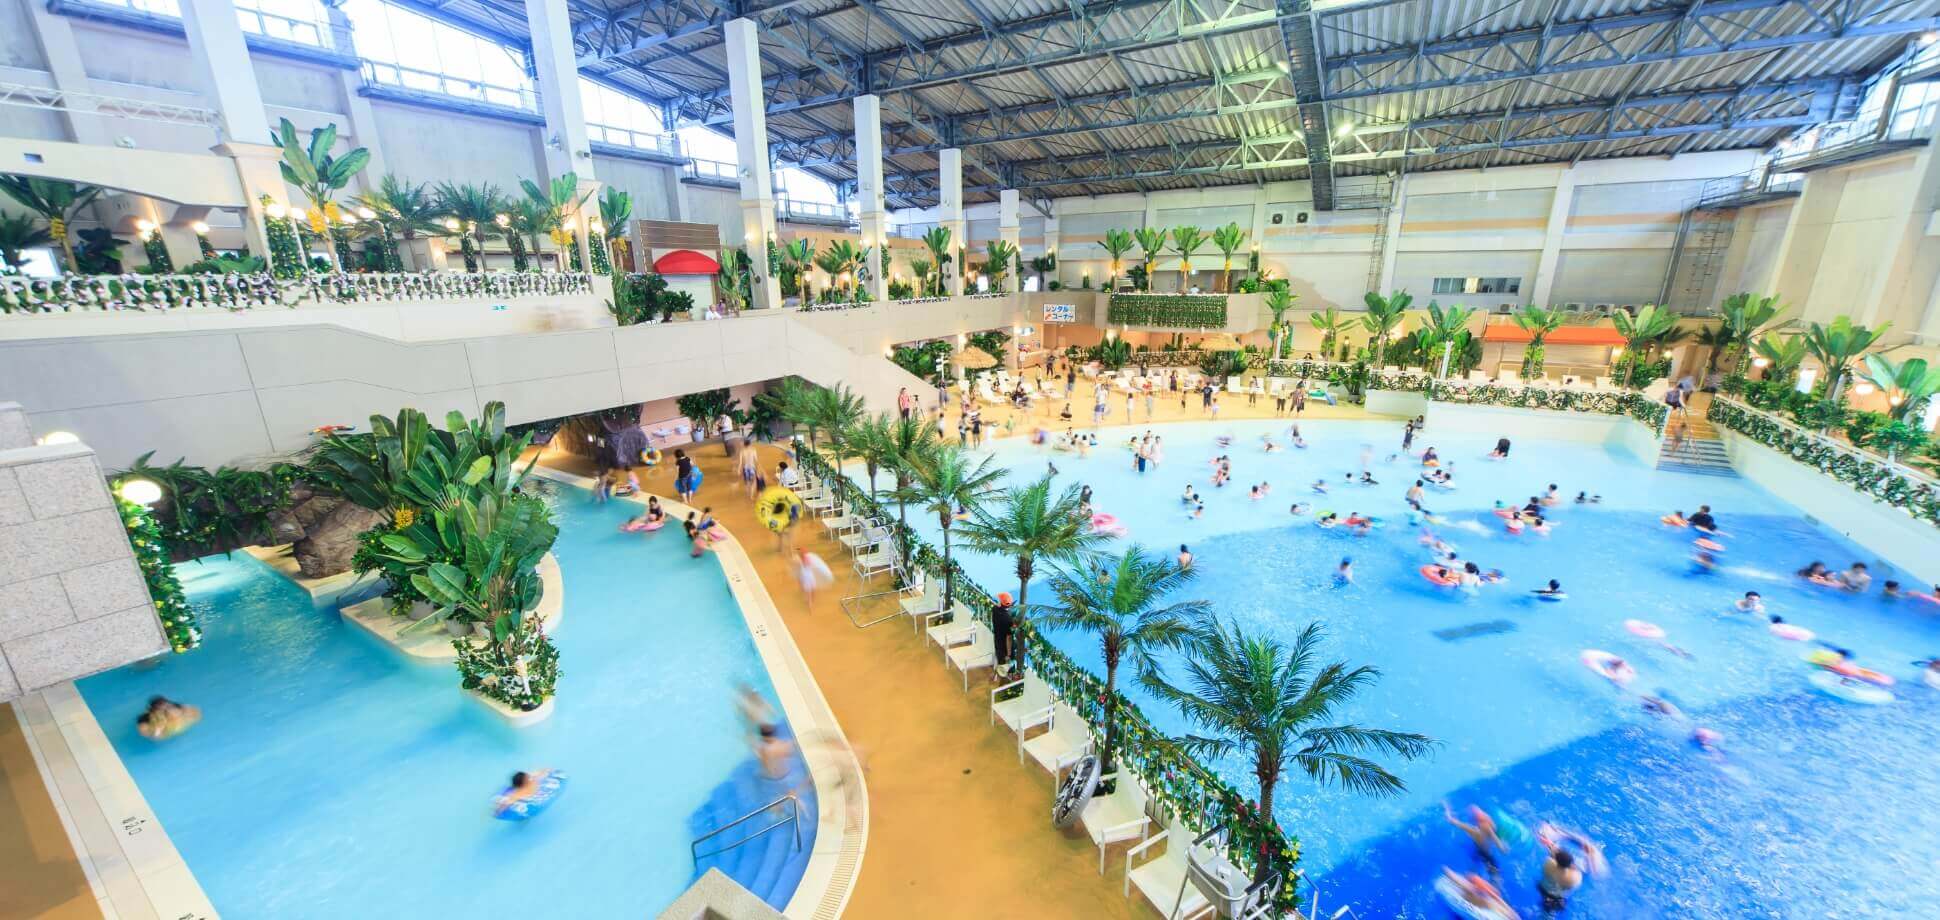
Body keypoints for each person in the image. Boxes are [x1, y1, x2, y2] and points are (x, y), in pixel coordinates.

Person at [1445, 803, 1506, 880]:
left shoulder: (1474, 831)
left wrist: (1447, 808)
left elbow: (1451, 820)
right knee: (1494, 873)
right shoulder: (1490, 829)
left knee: (1475, 870)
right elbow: (1500, 847)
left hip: (1479, 852)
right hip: (1487, 854)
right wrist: (1503, 847)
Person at [1441, 868, 1518, 919]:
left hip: (1486, 901)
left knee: (1475, 893)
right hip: (1485, 900)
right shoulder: (1474, 892)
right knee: (1474, 892)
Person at [1539, 844, 1583, 915]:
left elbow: (1552, 855)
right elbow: (1577, 872)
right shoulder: (1573, 878)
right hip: (1556, 898)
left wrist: (1552, 849)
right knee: (1550, 913)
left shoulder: (1548, 864)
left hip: (1542, 888)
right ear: (1570, 865)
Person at [992, 592, 1016, 672]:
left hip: (997, 642)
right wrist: (1008, 654)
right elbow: (1009, 638)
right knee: (1005, 668)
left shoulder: (995, 609)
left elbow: (997, 606)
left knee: (1000, 663)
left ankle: (996, 675)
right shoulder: (1008, 620)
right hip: (1005, 648)